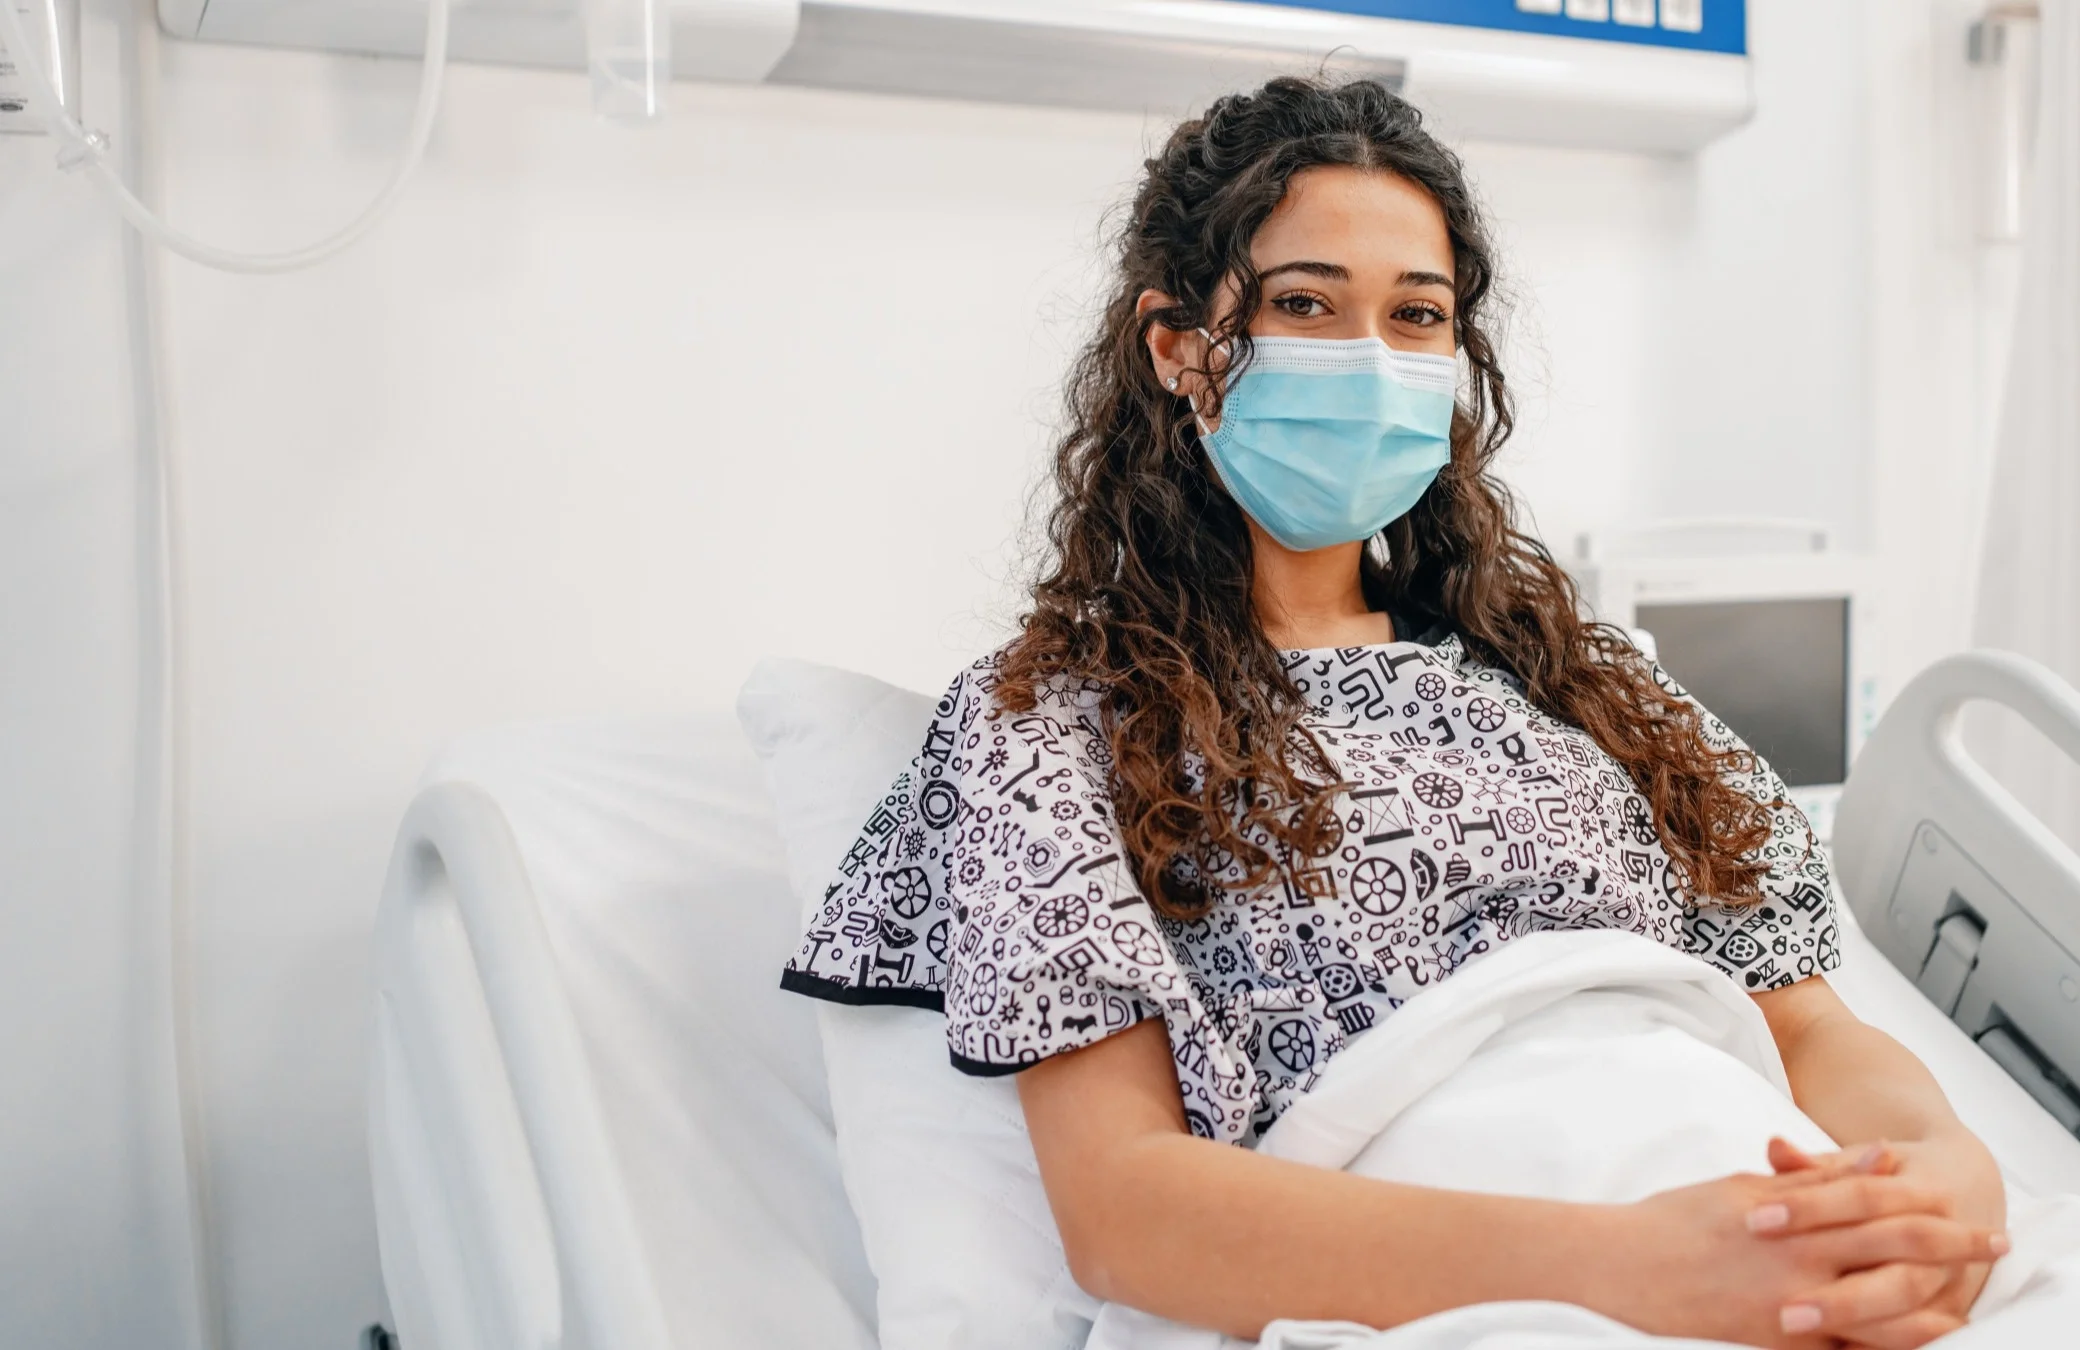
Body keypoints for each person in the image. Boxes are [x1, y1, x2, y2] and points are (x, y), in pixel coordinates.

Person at [782, 77, 2006, 1350]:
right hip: (1483, 1278)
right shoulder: (1058, 720)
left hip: (1766, 1225)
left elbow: (1803, 1021)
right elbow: (1126, 1209)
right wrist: (1629, 1269)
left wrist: (1941, 1178)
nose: (1369, 360)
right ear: (1176, 344)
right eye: (1304, 305)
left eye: (1416, 316)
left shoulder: (1584, 683)